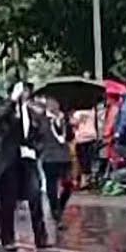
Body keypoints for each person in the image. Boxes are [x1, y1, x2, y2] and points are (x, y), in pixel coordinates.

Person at [0, 82, 51, 251]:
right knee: (9, 200)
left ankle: (40, 237)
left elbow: (41, 133)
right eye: (21, 90)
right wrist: (12, 100)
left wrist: (36, 148)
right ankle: (7, 238)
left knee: (35, 196)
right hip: (9, 160)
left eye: (27, 90)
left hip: (28, 158)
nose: (25, 93)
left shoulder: (32, 112)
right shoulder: (5, 109)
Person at [39, 96, 75, 225]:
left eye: (56, 102)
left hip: (64, 156)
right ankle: (55, 211)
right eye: (51, 102)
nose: (54, 105)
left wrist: (67, 124)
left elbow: (70, 137)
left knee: (69, 184)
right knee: (51, 185)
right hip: (49, 156)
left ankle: (60, 206)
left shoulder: (63, 118)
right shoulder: (42, 119)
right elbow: (38, 136)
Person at [70, 106, 98, 189]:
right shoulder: (92, 111)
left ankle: (83, 181)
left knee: (81, 161)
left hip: (81, 138)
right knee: (89, 160)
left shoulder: (77, 113)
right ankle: (89, 180)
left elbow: (72, 123)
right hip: (92, 136)